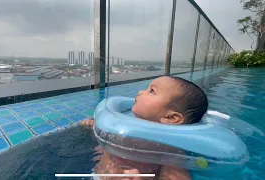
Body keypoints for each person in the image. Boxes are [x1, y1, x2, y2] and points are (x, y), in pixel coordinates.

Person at [80, 76, 209, 180]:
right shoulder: (121, 125)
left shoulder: (169, 149)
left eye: (151, 91)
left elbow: (175, 176)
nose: (140, 92)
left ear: (171, 118)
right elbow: (103, 143)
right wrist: (92, 128)